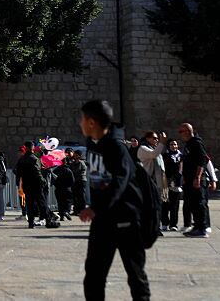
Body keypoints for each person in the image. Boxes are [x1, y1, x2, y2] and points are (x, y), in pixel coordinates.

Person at [79, 100, 149, 301]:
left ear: (91, 122)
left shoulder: (116, 147)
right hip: (103, 220)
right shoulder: (92, 144)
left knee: (136, 277)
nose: (80, 123)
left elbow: (120, 180)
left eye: (82, 119)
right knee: (93, 277)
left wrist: (94, 208)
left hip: (126, 219)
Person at [178, 122, 210, 238]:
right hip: (189, 179)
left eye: (182, 131)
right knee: (192, 203)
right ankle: (196, 226)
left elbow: (202, 160)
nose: (180, 134)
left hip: (197, 179)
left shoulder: (196, 143)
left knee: (198, 203)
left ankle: (202, 229)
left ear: (188, 131)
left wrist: (198, 177)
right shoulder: (188, 144)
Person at [137, 131, 168, 238]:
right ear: (148, 138)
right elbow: (154, 154)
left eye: (157, 139)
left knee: (157, 206)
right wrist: (162, 143)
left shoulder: (153, 149)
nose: (157, 140)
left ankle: (156, 227)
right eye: (154, 138)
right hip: (148, 182)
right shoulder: (143, 149)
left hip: (157, 182)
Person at [15, 141, 44, 229]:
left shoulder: (21, 159)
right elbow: (37, 172)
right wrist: (42, 180)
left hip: (26, 184)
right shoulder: (34, 159)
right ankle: (43, 219)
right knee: (40, 202)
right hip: (35, 184)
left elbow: (17, 172)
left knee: (29, 203)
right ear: (32, 148)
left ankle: (31, 222)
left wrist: (20, 181)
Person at [163, 139, 183, 231]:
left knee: (175, 205)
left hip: (177, 183)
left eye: (175, 144)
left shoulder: (182, 156)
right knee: (165, 204)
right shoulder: (165, 155)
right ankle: (164, 223)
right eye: (171, 144)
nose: (173, 146)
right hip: (166, 182)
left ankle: (173, 224)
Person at [71, 150, 88, 214]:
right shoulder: (74, 162)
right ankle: (76, 210)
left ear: (78, 155)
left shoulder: (81, 162)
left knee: (81, 196)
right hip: (75, 181)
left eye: (75, 154)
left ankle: (82, 210)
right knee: (75, 196)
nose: (74, 155)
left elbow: (78, 171)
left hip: (81, 180)